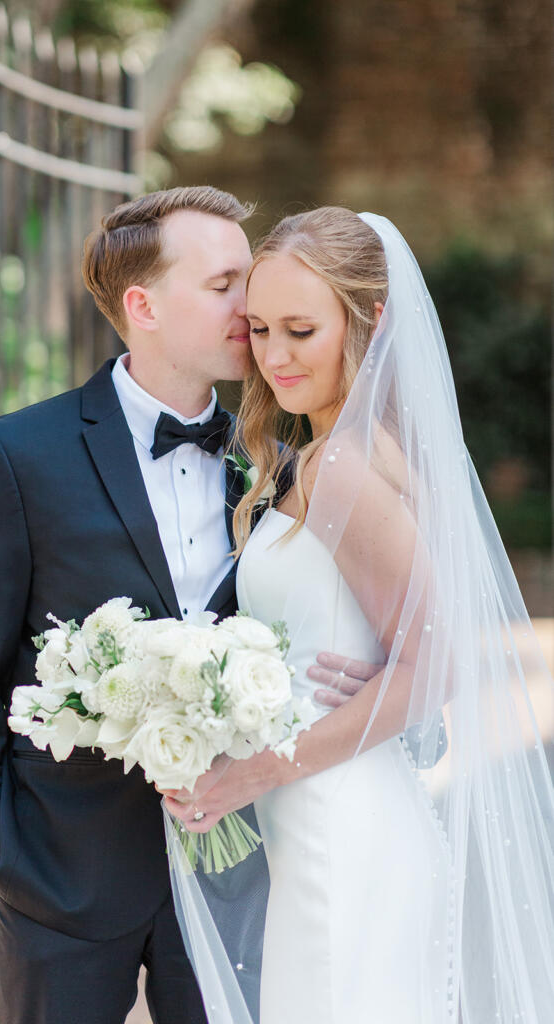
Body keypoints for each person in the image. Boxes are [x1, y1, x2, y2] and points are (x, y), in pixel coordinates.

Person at [0, 186, 369, 1024]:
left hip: (245, 865)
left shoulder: (273, 460)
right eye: (226, 283)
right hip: (60, 878)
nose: (252, 303)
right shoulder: (17, 457)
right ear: (142, 304)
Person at [164, 207, 554, 1023]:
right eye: (260, 329)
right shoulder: (329, 454)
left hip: (339, 831)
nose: (273, 357)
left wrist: (256, 770)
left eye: (301, 330)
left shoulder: (338, 468)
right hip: (320, 818)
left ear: (369, 322)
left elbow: (436, 667)